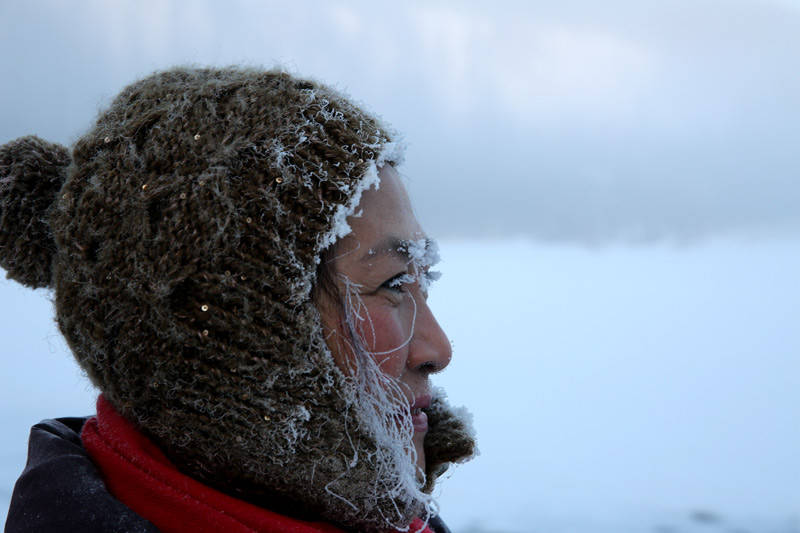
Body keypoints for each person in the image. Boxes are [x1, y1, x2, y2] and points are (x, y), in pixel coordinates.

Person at [0, 67, 476, 533]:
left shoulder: (394, 518)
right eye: (392, 283)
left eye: (423, 277)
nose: (438, 348)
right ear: (229, 352)